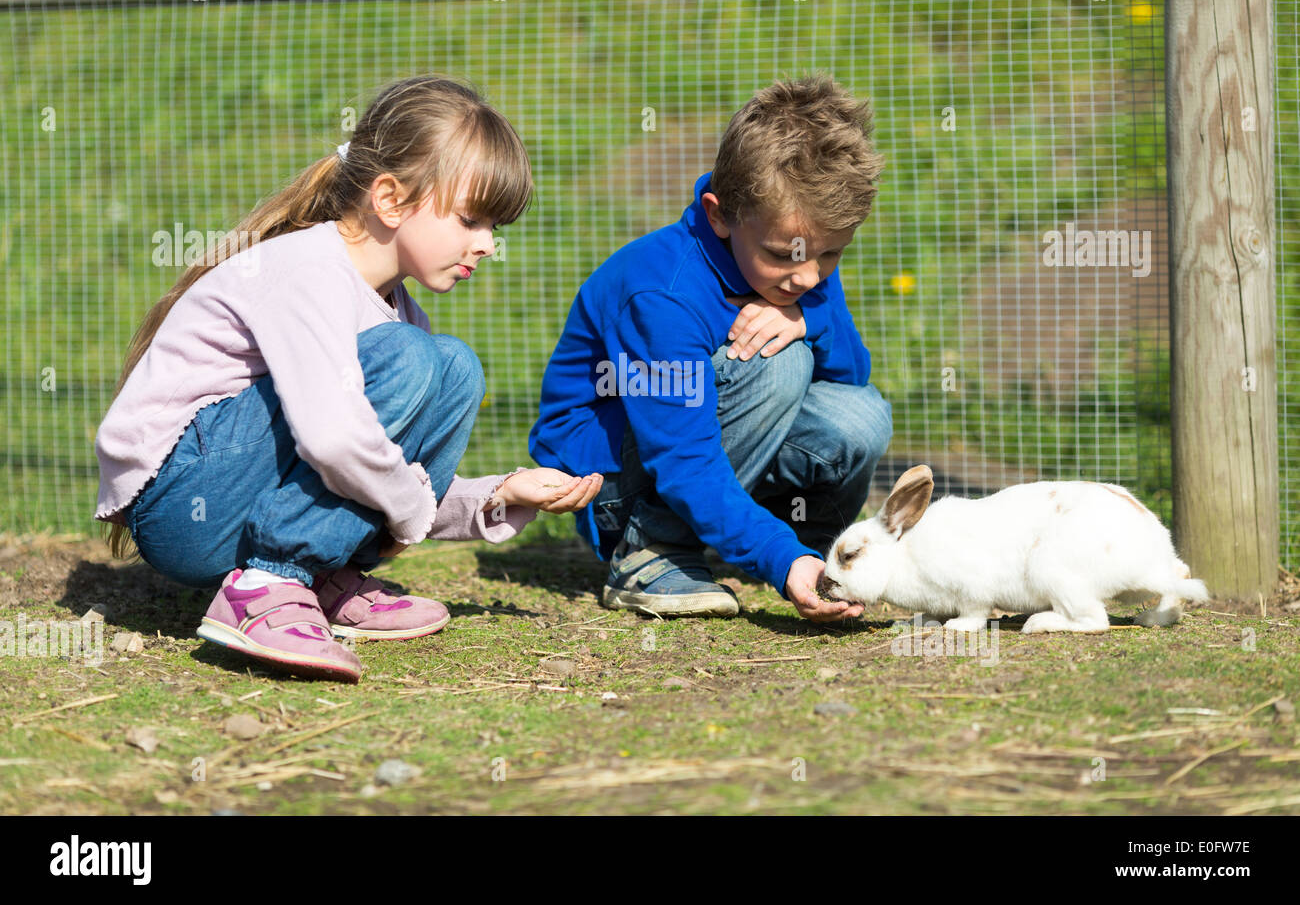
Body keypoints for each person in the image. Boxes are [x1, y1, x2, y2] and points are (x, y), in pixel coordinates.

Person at [94, 74, 601, 682]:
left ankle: (316, 575)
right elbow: (336, 442)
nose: (487, 244)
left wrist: (497, 495)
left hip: (241, 500)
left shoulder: (396, 310)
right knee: (416, 359)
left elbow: (379, 469)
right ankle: (269, 584)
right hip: (186, 507)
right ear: (390, 200)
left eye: (495, 227)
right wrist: (410, 512)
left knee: (454, 367)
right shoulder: (309, 272)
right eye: (471, 219)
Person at [530, 73, 891, 622]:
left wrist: (807, 320)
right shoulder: (662, 293)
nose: (809, 277)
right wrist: (775, 556)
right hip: (612, 484)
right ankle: (651, 549)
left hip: (711, 450)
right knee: (780, 363)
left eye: (830, 256)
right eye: (785, 255)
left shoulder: (801, 264)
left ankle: (811, 551)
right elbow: (681, 454)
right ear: (720, 214)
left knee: (861, 414)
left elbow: (851, 373)